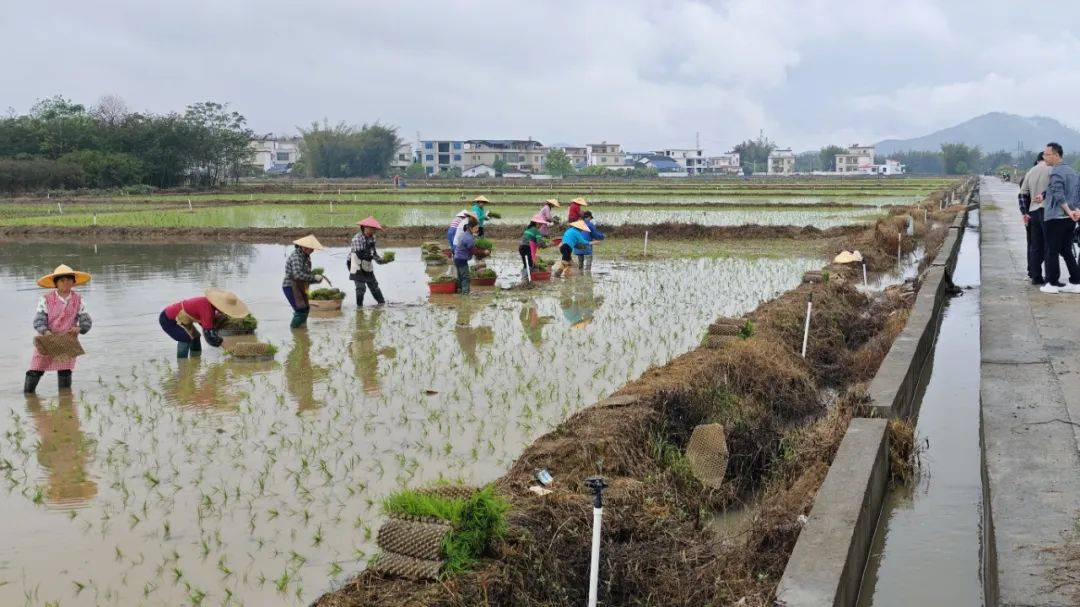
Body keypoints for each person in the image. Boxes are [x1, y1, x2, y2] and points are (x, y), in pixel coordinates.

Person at [25, 264, 93, 394]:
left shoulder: (79, 300)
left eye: (69, 280)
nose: (66, 283)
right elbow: (38, 320)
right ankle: (28, 395)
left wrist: (79, 328)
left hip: (67, 340)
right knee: (35, 368)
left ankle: (65, 399)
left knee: (65, 371)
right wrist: (46, 331)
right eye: (62, 280)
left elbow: (86, 321)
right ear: (56, 283)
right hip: (48, 339)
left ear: (74, 282)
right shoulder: (45, 299)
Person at [1038, 142, 1080, 294]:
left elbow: (1058, 194)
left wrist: (1069, 211)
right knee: (1066, 249)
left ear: (1056, 155)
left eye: (1047, 154)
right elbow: (1077, 194)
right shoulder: (1073, 172)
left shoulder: (1055, 172)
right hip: (1069, 220)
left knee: (1052, 250)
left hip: (1055, 218)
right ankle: (1076, 281)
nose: (1044, 157)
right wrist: (1076, 211)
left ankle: (1052, 283)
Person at [160, 288, 248, 358]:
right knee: (185, 338)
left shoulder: (210, 306)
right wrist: (228, 348)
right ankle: (183, 367)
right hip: (168, 319)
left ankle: (195, 361)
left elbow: (209, 327)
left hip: (182, 319)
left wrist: (219, 337)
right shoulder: (207, 310)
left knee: (195, 337)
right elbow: (209, 336)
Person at [1019, 152, 1050, 284]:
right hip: (1048, 212)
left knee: (1033, 245)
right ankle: (1050, 277)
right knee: (1049, 245)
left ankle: (1034, 274)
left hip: (1032, 213)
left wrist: (1024, 213)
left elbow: (1022, 194)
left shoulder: (1030, 172)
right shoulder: (1052, 169)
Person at [283, 235, 328, 327]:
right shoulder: (296, 257)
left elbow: (305, 276)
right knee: (301, 310)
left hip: (300, 286)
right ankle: (295, 332)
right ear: (304, 247)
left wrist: (316, 279)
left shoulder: (305, 257)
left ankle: (302, 331)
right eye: (311, 248)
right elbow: (298, 275)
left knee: (306, 309)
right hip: (291, 286)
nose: (313, 250)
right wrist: (314, 278)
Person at [349, 216, 386, 307]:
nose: (374, 231)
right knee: (361, 288)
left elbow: (373, 252)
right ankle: (359, 308)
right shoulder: (357, 239)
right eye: (373, 229)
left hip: (367, 264)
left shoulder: (372, 237)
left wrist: (380, 260)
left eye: (375, 229)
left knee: (374, 285)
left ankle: (382, 303)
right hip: (356, 264)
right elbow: (359, 255)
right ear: (366, 228)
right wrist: (372, 256)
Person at [519, 214, 550, 280]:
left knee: (526, 263)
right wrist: (546, 245)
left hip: (521, 247)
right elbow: (540, 242)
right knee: (529, 264)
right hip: (527, 247)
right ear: (537, 223)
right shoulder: (536, 231)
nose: (541, 225)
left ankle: (525, 278)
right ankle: (525, 279)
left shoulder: (528, 229)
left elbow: (532, 240)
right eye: (541, 224)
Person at [453, 222, 478, 294]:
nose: (477, 229)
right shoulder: (468, 238)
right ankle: (465, 294)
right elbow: (474, 251)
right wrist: (484, 252)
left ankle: (459, 291)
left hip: (456, 258)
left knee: (460, 277)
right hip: (461, 259)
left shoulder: (464, 234)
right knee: (466, 277)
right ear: (470, 228)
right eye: (476, 228)